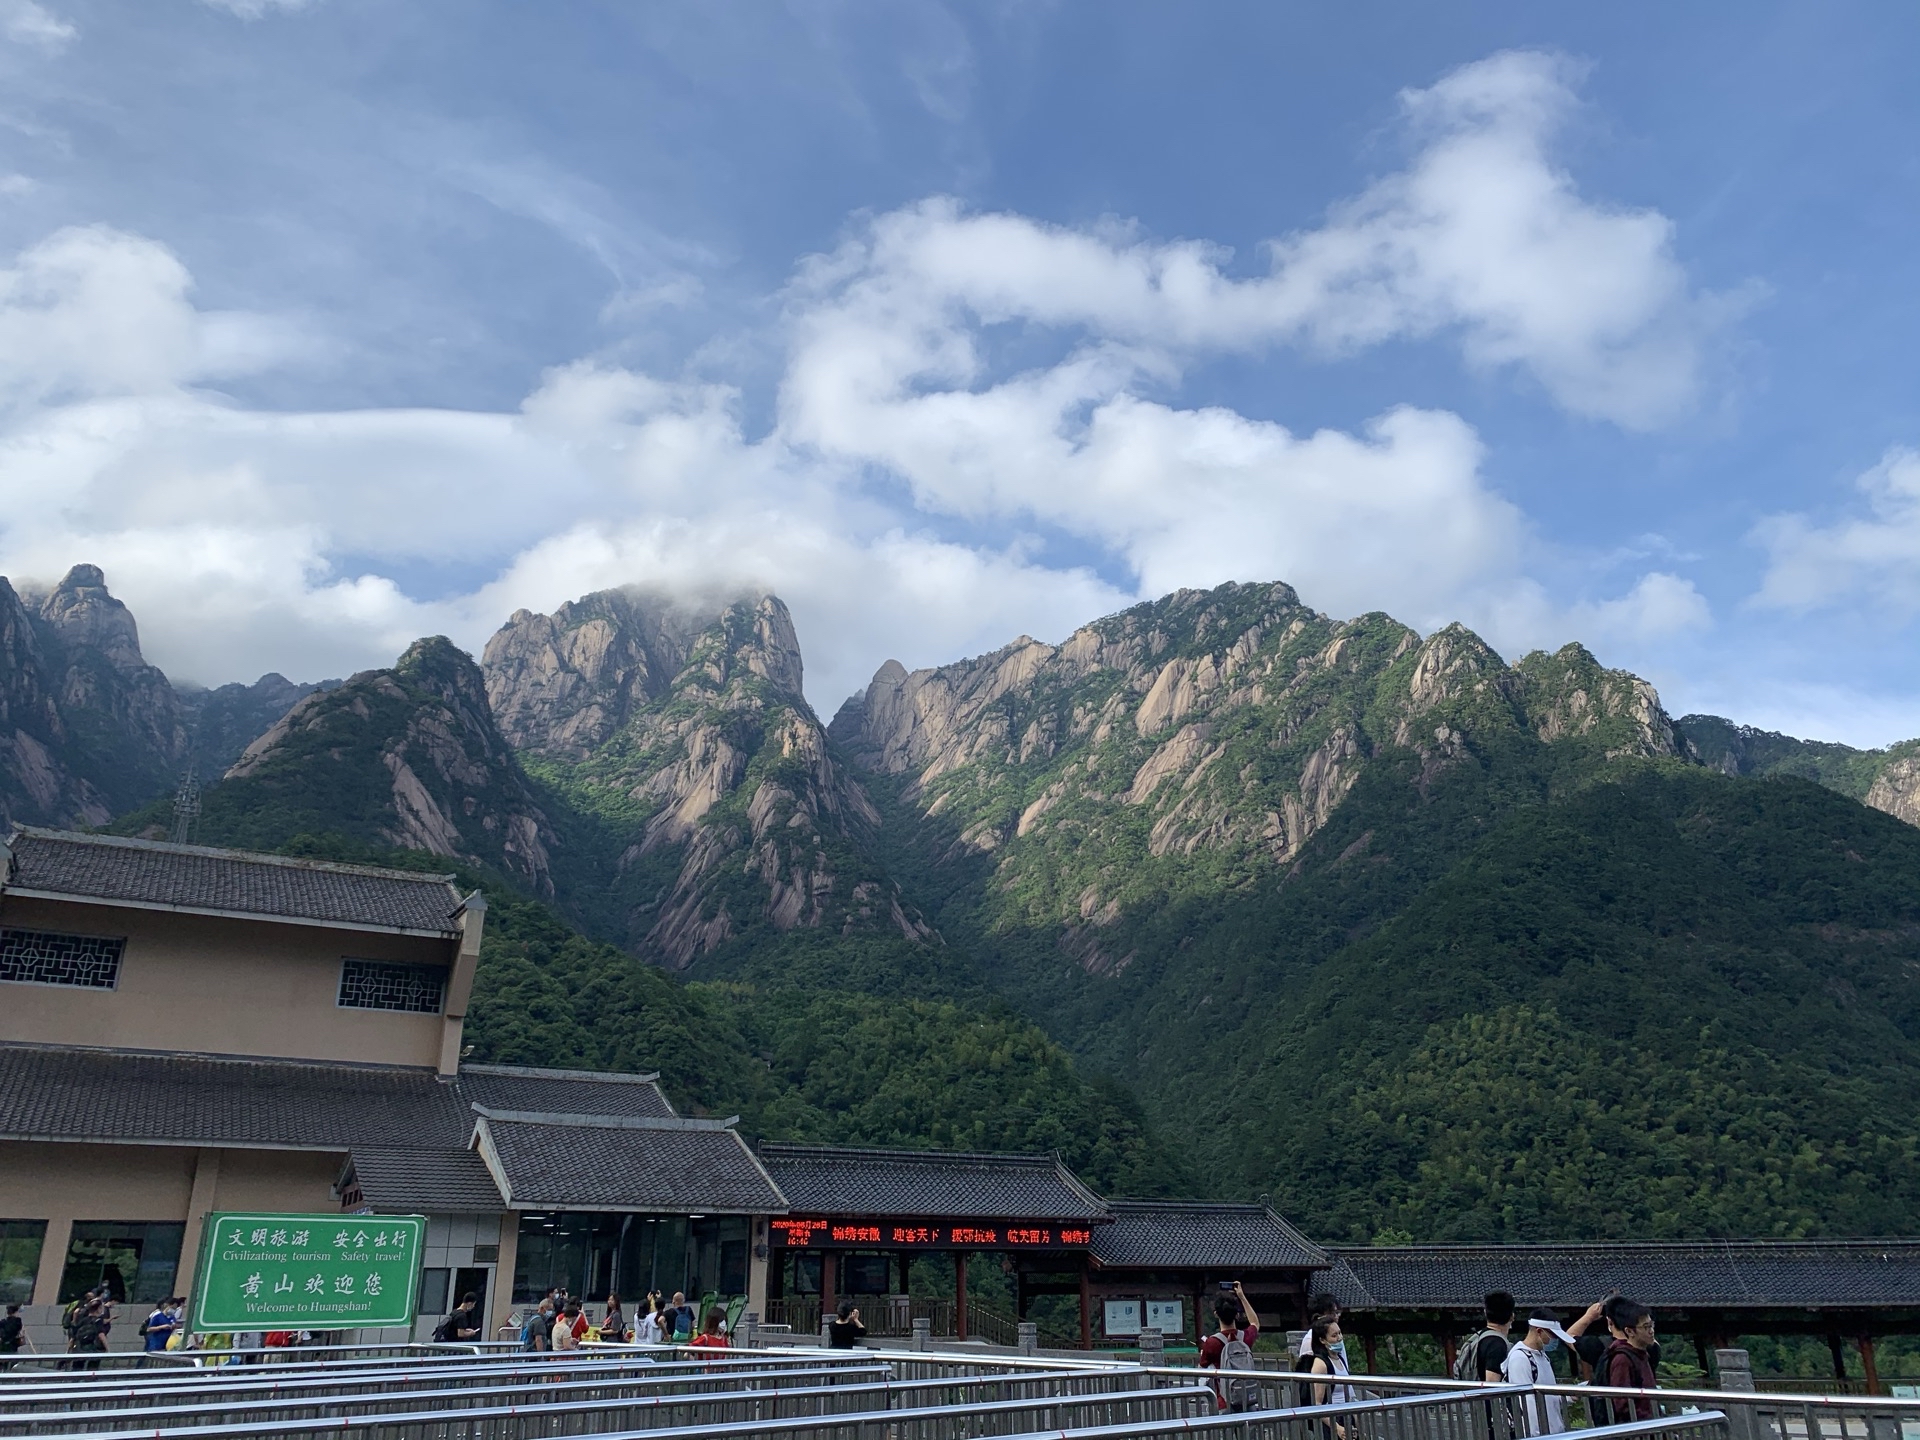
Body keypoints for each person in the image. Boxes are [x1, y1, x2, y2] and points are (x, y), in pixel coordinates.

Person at [1502, 1309, 1579, 1434]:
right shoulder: (1520, 1358)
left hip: (1554, 1431)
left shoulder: (1542, 1356)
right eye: (1552, 1336)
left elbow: (1549, 1396)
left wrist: (1569, 1396)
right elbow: (1527, 1405)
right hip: (1540, 1434)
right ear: (1539, 1331)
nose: (1554, 1340)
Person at [1198, 1280, 1261, 1412]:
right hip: (1247, 1400)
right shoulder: (1245, 1338)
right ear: (1237, 1315)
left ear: (1216, 1314)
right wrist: (1241, 1296)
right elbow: (1255, 1322)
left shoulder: (1211, 1342)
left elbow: (1202, 1366)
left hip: (1224, 1402)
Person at [1597, 1300, 1659, 1422]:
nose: (1651, 1331)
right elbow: (1622, 1404)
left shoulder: (1642, 1354)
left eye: (1651, 1325)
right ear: (1629, 1331)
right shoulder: (1622, 1359)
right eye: (1646, 1327)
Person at [1292, 1314, 1355, 1424]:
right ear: (1322, 1340)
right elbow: (1317, 1404)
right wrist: (1337, 1428)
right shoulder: (1321, 1364)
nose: (1339, 1338)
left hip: (1347, 1416)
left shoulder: (1339, 1358)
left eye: (1339, 1333)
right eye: (1334, 1335)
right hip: (1333, 1420)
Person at [1456, 1291, 1514, 1383]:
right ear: (1512, 1316)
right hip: (1485, 1396)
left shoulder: (1477, 1338)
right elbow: (1492, 1383)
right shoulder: (1497, 1345)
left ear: (1485, 1313)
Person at [1298, 1293, 1341, 1360]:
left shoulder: (1338, 1337)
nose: (1336, 1316)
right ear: (1319, 1316)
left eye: (1337, 1312)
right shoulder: (1310, 1340)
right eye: (1332, 1313)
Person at [142, 1297, 179, 1361]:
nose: (173, 1310)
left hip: (167, 1342)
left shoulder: (172, 1317)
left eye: (175, 1309)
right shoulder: (158, 1316)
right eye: (172, 1308)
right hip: (156, 1342)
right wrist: (161, 1327)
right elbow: (149, 1329)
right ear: (167, 1305)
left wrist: (174, 1326)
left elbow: (174, 1325)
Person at [0, 1303, 28, 1368]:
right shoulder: (17, 1322)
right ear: (16, 1312)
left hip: (2, 1346)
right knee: (12, 1364)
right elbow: (18, 1332)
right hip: (12, 1346)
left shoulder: (2, 1322)